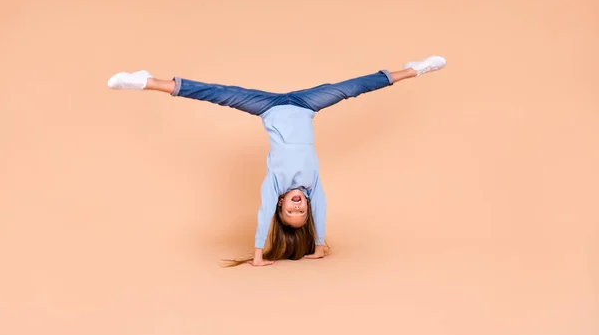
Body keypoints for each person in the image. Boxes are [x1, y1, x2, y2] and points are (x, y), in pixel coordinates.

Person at [107, 55, 447, 267]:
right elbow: (322, 210)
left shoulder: (275, 185)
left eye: (290, 211)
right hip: (305, 104)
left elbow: (261, 214)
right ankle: (413, 71)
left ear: (281, 206)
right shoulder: (313, 189)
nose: (298, 207)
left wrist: (258, 253)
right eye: (302, 212)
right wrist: (320, 244)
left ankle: (146, 82)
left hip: (266, 106)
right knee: (352, 87)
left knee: (216, 93)